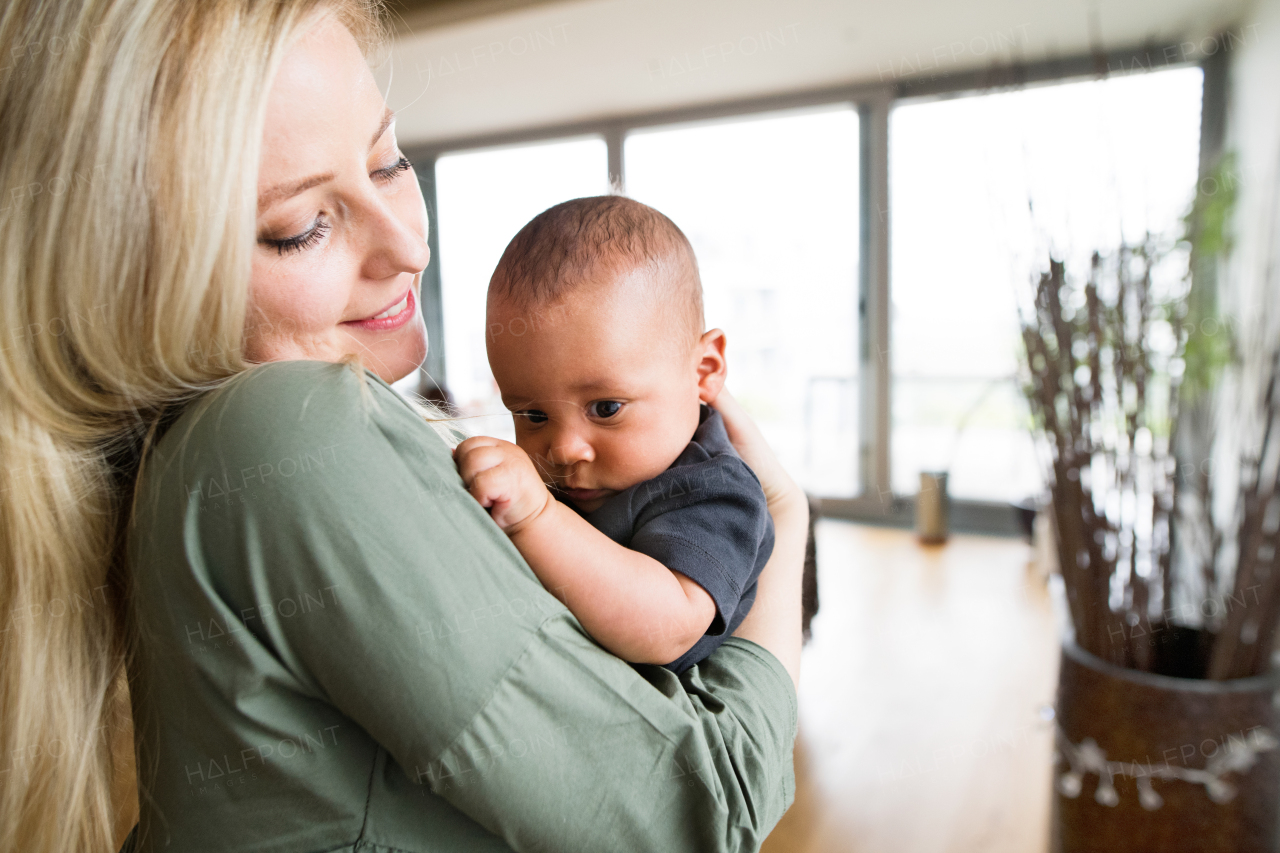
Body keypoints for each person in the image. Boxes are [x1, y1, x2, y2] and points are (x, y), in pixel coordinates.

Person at [0, 2, 809, 853]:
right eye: (298, 228)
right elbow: (696, 814)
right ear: (130, 276)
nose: (408, 248)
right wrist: (785, 520)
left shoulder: (211, 462)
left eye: (388, 163)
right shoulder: (280, 435)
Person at [453, 196, 773, 675]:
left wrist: (536, 518)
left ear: (704, 371)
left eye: (606, 409)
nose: (564, 449)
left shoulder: (714, 491)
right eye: (533, 415)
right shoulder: (559, 478)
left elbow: (669, 625)